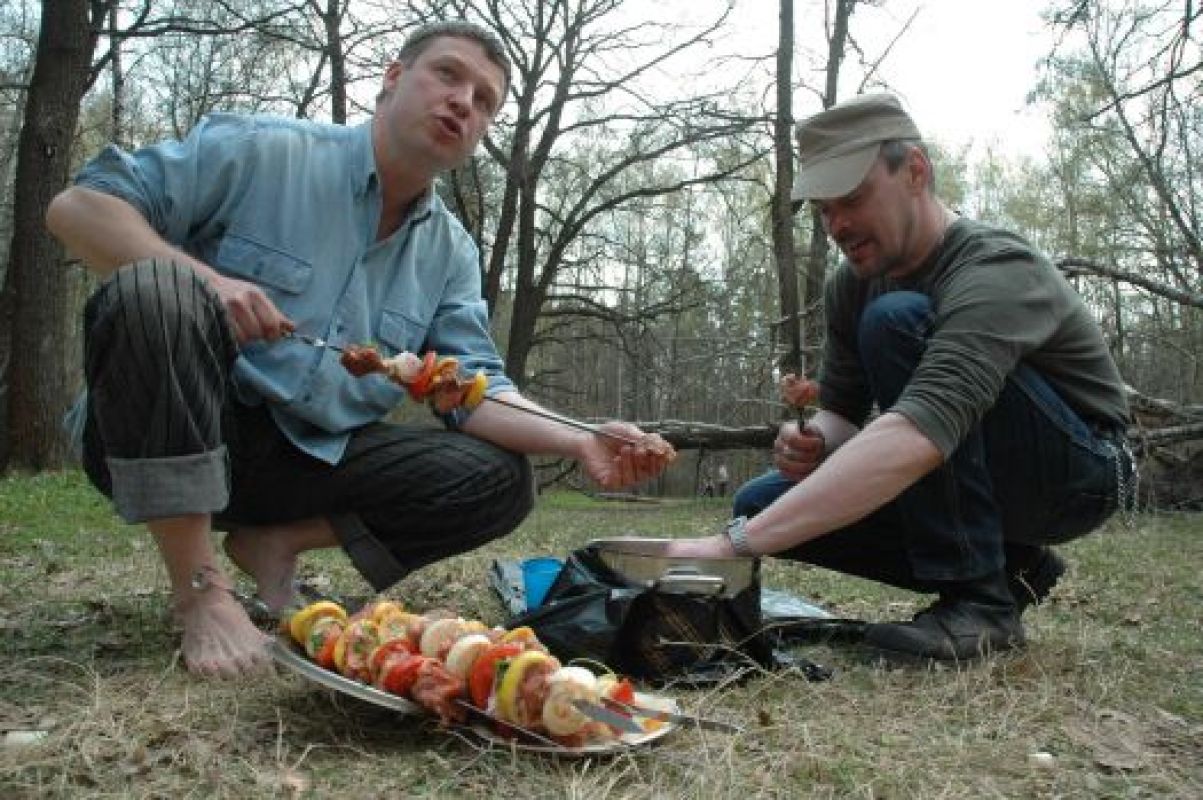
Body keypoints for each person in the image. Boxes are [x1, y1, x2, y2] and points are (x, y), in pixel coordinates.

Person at [45, 21, 673, 679]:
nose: (464, 101)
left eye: (485, 99)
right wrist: (207, 282)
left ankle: (271, 544)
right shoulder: (262, 150)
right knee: (156, 288)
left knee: (501, 477)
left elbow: (473, 391)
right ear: (394, 79)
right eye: (448, 75)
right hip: (172, 426)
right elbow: (79, 207)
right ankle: (199, 590)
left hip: (304, 462)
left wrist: (578, 440)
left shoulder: (450, 253)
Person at [666, 93, 1134, 664]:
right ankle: (1012, 567)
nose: (837, 224)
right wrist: (811, 439)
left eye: (853, 199)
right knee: (759, 501)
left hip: (1079, 474)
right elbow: (840, 415)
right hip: (967, 455)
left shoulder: (994, 267)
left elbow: (918, 431)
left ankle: (980, 606)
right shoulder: (854, 283)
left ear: (915, 171)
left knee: (896, 321)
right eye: (824, 209)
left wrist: (729, 547)